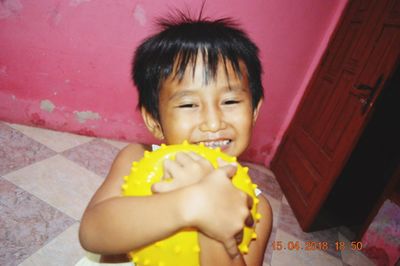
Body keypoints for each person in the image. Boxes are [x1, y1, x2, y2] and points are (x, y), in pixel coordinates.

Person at [78, 13, 272, 266]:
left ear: (254, 111)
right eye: (189, 104)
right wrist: (189, 204)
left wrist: (214, 229)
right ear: (155, 122)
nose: (213, 123)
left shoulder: (257, 207)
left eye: (230, 101)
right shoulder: (136, 158)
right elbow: (93, 233)